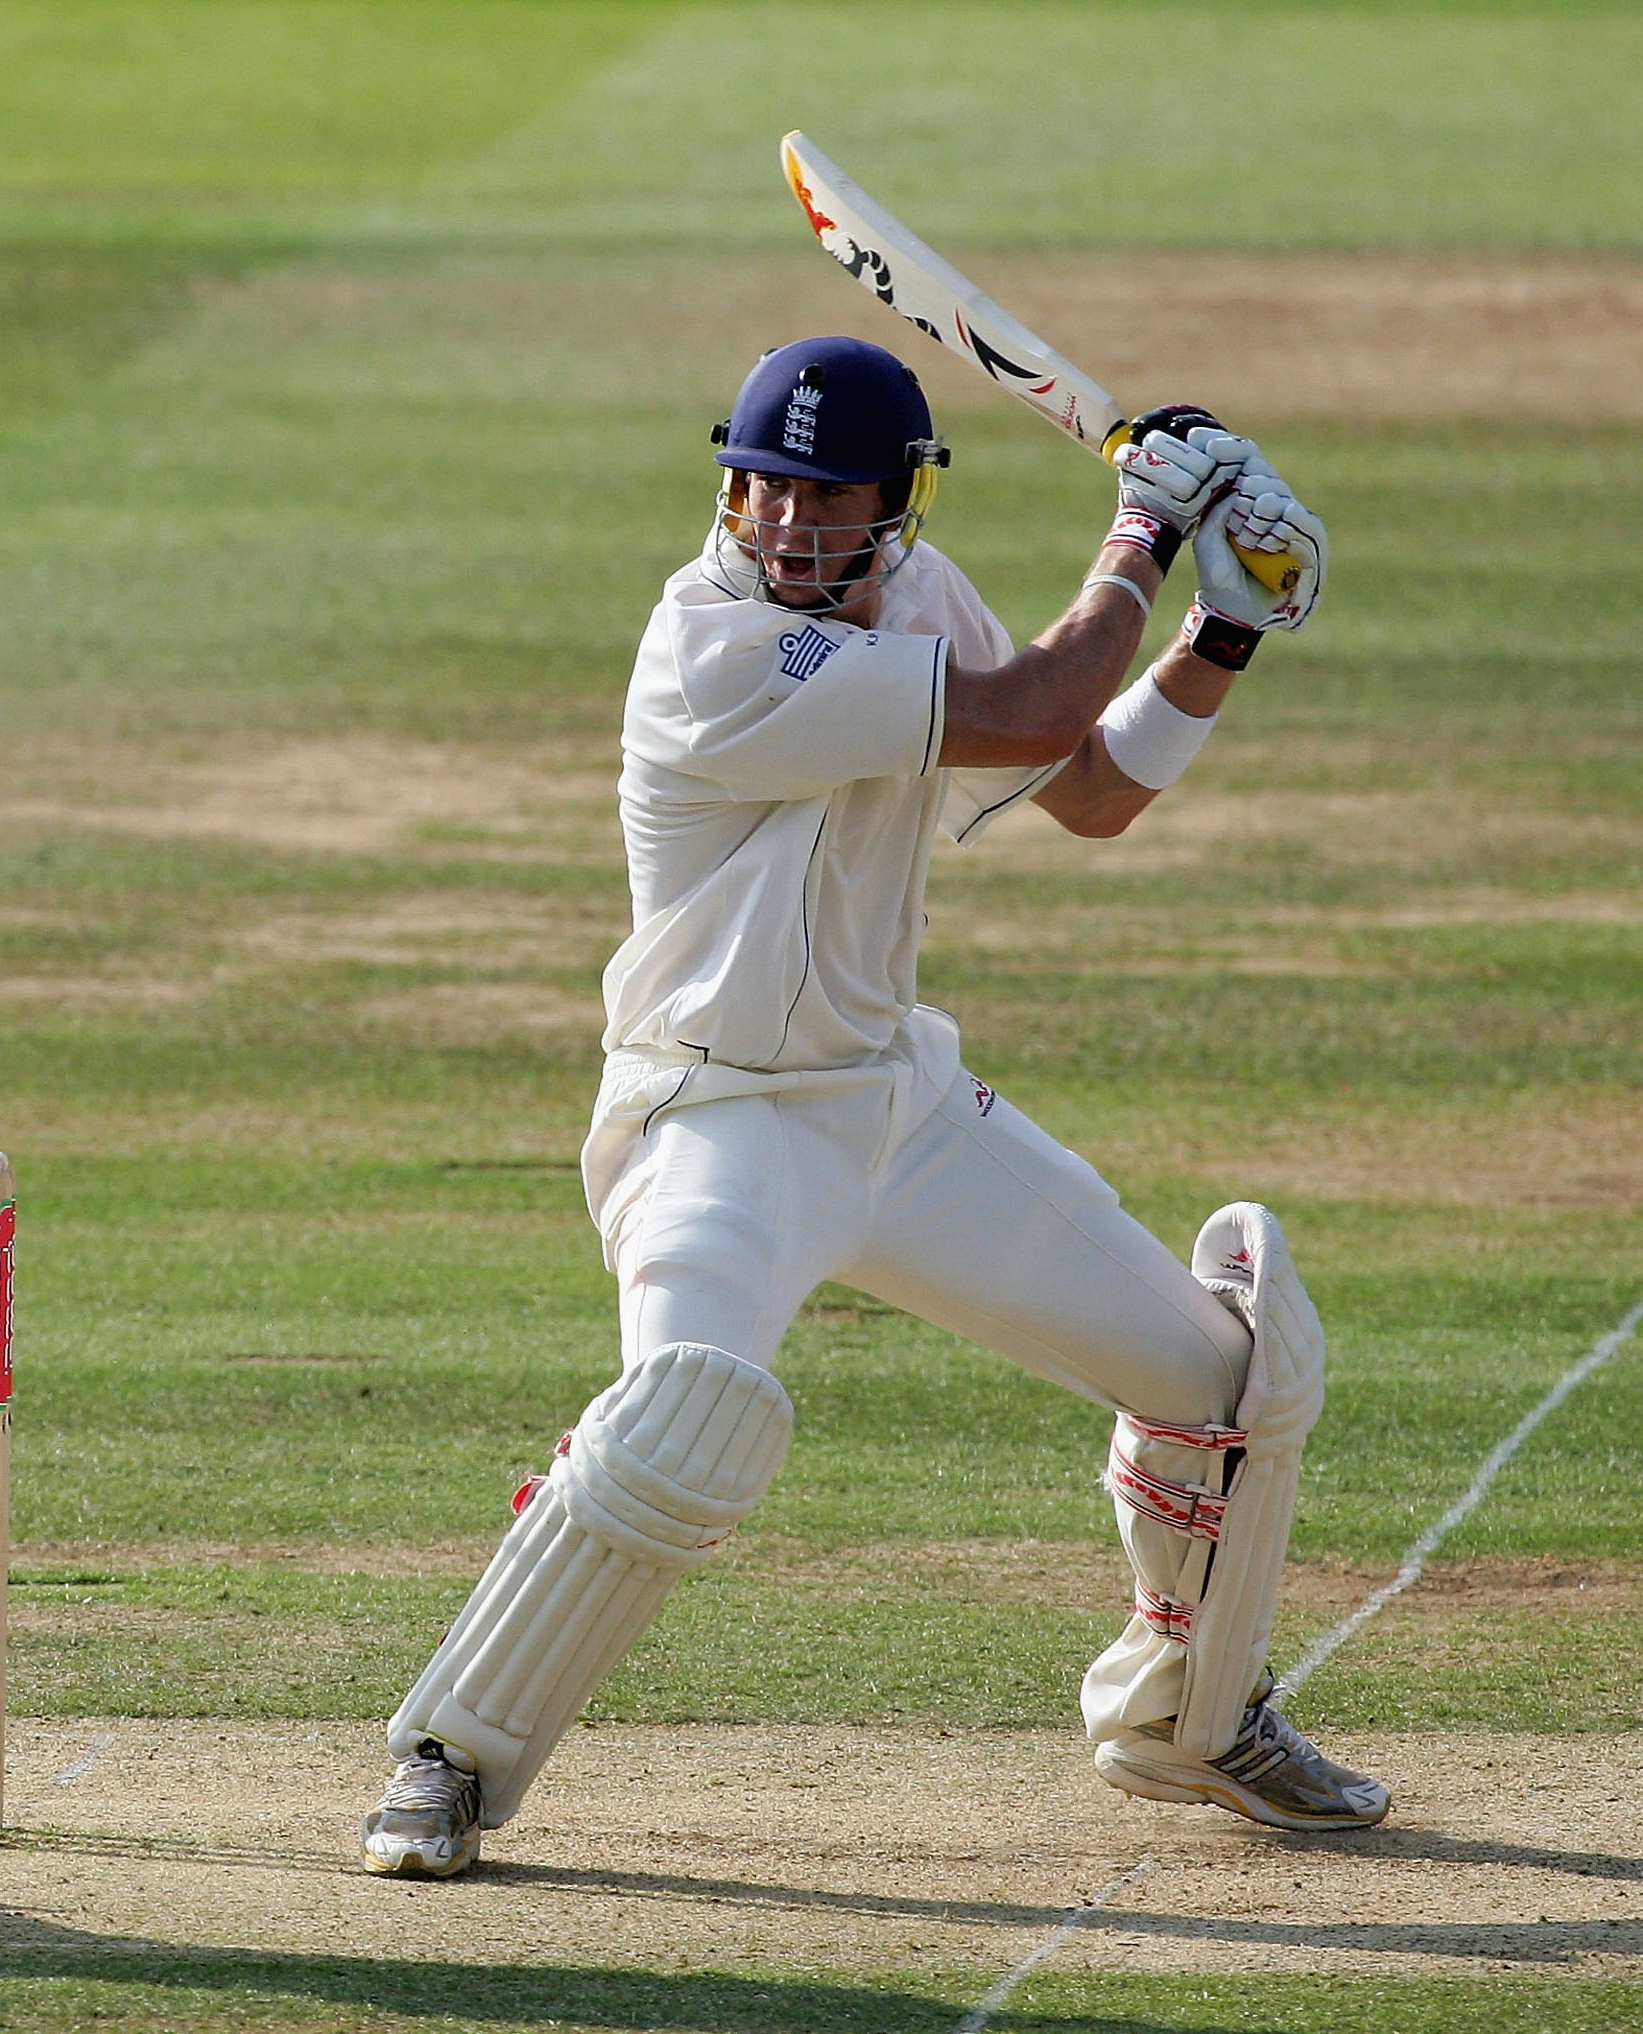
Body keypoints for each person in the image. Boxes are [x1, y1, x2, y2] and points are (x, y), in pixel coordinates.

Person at [359, 337, 1383, 1880]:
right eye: (762, 486)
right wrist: (1143, 538)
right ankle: (447, 1755)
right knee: (681, 1416)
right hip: (716, 1118)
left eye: (825, 495)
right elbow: (1039, 696)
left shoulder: (917, 600)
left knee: (1227, 1380)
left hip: (894, 1103)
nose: (785, 523)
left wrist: (1223, 630)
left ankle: (1197, 1708)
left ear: (895, 501)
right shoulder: (709, 643)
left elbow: (1084, 781)